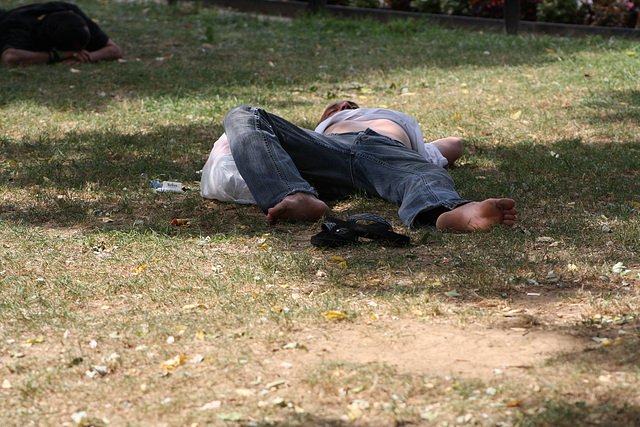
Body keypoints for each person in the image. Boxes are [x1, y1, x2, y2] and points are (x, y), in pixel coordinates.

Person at [222, 102, 517, 232]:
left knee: (422, 173)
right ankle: (296, 195)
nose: (344, 107)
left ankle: (449, 212)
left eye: (350, 104)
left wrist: (421, 148)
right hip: (325, 153)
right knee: (243, 114)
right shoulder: (320, 130)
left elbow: (455, 145)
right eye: (335, 107)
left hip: (386, 151)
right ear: (325, 117)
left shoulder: (388, 120)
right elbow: (260, 140)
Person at [0, 1, 122, 66]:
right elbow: (10, 57)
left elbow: (115, 50)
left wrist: (87, 57)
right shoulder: (18, 27)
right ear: (54, 47)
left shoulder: (72, 14)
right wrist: (60, 55)